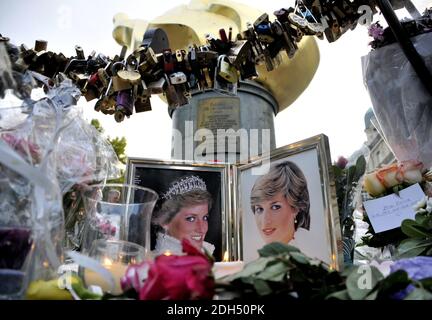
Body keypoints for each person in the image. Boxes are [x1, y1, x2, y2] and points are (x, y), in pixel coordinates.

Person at [250, 160, 310, 245]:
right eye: (259, 209)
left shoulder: (311, 250)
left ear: (295, 208)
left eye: (275, 207)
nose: (265, 221)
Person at [152, 175, 215, 256]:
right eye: (191, 219)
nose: (202, 229)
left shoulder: (210, 262)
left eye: (205, 218)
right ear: (165, 221)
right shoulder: (148, 264)